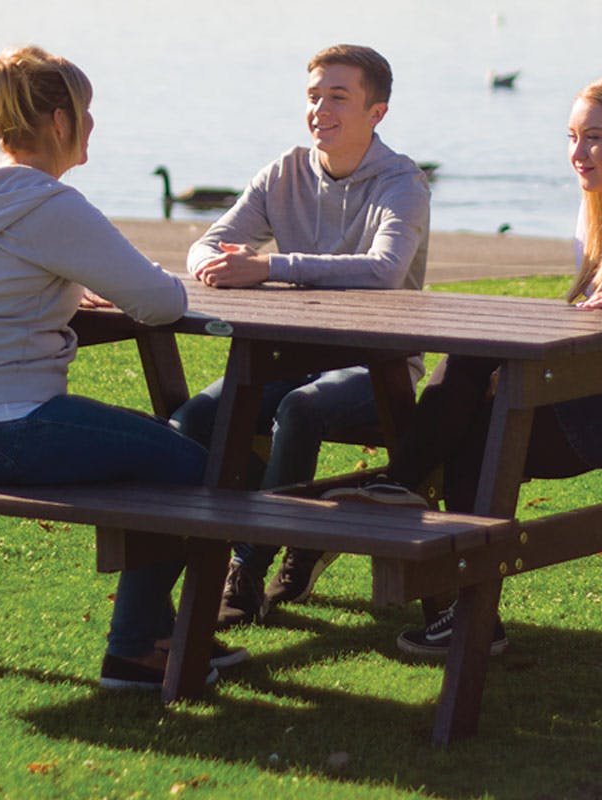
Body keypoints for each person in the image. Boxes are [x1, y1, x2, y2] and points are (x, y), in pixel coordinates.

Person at [331, 72, 602, 656]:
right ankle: (451, 583)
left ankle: (406, 495)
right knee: (472, 399)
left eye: (594, 137)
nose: (577, 153)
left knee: (476, 425)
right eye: (571, 137)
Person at [0, 45, 247, 692]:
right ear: (61, 121)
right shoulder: (48, 207)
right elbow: (161, 299)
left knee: (159, 456)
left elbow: (6, 279)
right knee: (192, 466)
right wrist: (93, 279)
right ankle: (139, 649)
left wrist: (66, 285)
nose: (93, 125)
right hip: (1, 424)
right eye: (87, 112)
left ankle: (163, 634)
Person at [169, 44, 431, 629]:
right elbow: (206, 244)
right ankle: (187, 558)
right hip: (288, 357)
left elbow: (384, 269)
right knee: (194, 419)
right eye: (314, 96)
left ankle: (246, 570)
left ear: (377, 112)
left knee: (300, 408)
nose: (320, 110)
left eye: (338, 97)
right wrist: (216, 261)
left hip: (378, 366)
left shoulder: (402, 182)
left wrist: (269, 266)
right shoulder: (283, 172)